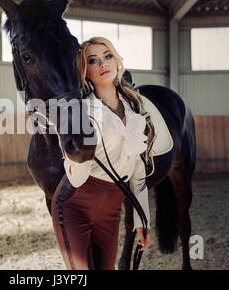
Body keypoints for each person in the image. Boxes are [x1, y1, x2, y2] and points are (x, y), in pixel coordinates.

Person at [51, 37, 155, 270]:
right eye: (93, 60)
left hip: (111, 209)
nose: (103, 63)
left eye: (107, 56)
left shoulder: (135, 108)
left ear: (117, 60)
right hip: (74, 205)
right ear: (85, 71)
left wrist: (142, 220)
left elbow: (138, 171)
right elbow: (76, 179)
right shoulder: (81, 112)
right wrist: (76, 150)